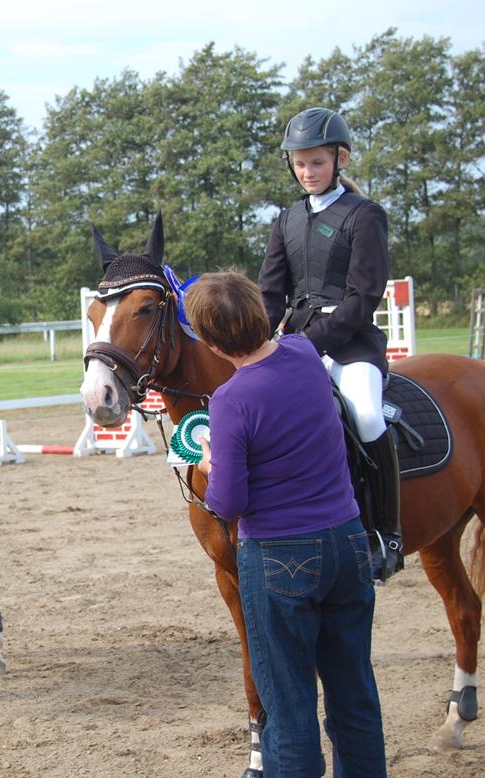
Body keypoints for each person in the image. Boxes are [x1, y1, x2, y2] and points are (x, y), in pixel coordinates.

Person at [187, 272, 387, 778]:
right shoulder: (301, 353)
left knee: (289, 707)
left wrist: (211, 463)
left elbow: (230, 502)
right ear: (260, 312)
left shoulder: (231, 400)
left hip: (280, 555)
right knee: (354, 694)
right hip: (347, 539)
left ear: (210, 343)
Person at [257, 107, 402, 582]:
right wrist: (256, 343)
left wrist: (309, 342)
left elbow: (364, 298)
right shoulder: (287, 220)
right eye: (300, 164)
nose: (307, 172)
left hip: (352, 344)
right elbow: (270, 294)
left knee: (365, 413)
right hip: (298, 345)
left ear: (339, 159)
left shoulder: (364, 216)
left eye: (316, 163)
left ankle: (386, 533)